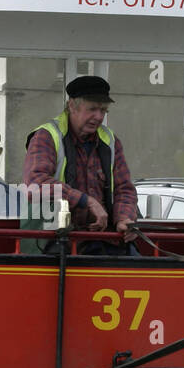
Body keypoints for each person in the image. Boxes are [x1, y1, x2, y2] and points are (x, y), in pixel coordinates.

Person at [22, 75, 138, 249]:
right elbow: (36, 184)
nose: (99, 117)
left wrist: (124, 219)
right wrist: (87, 201)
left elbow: (124, 189)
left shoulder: (110, 141)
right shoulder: (46, 136)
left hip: (104, 240)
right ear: (71, 106)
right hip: (55, 240)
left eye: (103, 110)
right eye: (92, 109)